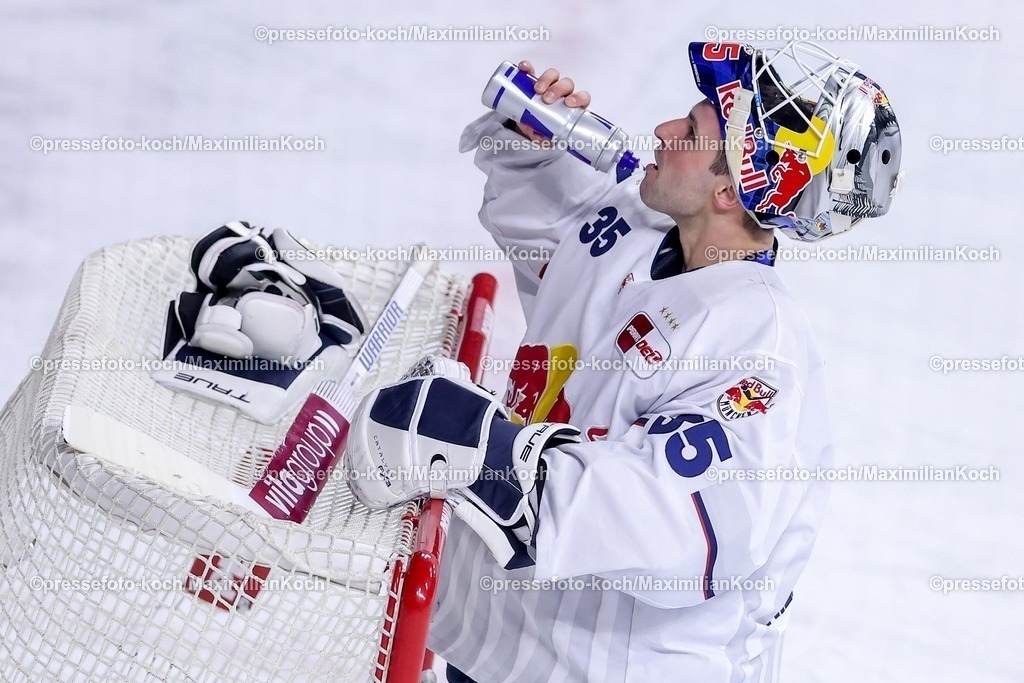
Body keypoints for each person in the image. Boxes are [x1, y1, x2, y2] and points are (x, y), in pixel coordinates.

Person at [346, 41, 903, 682]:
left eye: (691, 132)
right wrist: (528, 143)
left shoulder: (758, 344)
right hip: (501, 649)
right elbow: (557, 241)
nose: (664, 130)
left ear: (729, 189)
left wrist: (501, 461)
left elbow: (689, 525)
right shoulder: (640, 225)